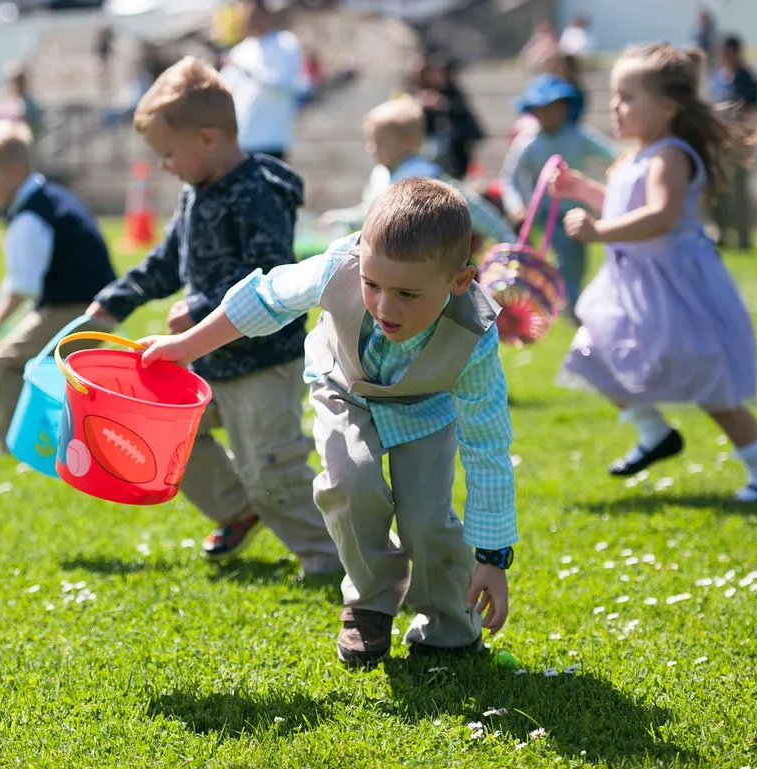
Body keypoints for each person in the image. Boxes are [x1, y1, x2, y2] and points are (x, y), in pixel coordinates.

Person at [139, 178, 517, 666]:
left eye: (407, 293)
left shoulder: (474, 337)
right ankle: (369, 603)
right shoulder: (338, 267)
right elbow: (265, 299)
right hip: (344, 386)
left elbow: (487, 446)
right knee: (349, 482)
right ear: (361, 253)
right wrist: (187, 345)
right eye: (373, 285)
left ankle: (448, 625)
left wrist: (492, 558)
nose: (384, 306)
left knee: (426, 520)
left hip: (425, 409)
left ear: (459, 281)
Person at [85, 56, 339, 576]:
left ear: (206, 138)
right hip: (208, 359)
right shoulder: (193, 195)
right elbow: (164, 262)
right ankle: (236, 508)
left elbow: (268, 274)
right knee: (168, 435)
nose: (164, 165)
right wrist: (116, 301)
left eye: (168, 152)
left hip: (261, 362)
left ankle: (331, 558)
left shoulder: (258, 193)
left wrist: (200, 309)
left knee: (274, 470)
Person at [551, 42, 757, 502]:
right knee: (593, 351)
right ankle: (653, 432)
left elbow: (660, 215)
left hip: (677, 289)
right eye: (615, 96)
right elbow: (626, 205)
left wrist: (599, 232)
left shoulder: (670, 155)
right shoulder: (636, 156)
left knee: (706, 381)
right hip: (633, 287)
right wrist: (584, 190)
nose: (615, 107)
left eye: (627, 97)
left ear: (667, 106)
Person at [0, 119, 118, 449]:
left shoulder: (31, 217)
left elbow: (23, 287)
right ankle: (59, 439)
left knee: (7, 362)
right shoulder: (53, 198)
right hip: (98, 308)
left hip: (77, 311)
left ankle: (14, 445)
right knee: (53, 371)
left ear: (16, 171)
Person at [319, 94, 515, 252]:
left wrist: (506, 239)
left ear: (408, 144)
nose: (371, 148)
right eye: (370, 141)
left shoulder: (427, 178)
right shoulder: (381, 174)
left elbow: (471, 207)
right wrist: (340, 217)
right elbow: (368, 214)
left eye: (380, 142)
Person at [500, 74, 616, 315]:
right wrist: (515, 206)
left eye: (554, 108)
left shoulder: (577, 136)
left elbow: (610, 153)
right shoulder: (528, 143)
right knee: (565, 257)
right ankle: (570, 307)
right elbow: (509, 178)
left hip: (576, 210)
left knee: (578, 261)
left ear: (565, 108)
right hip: (547, 213)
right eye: (543, 109)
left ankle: (569, 300)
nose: (550, 115)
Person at [219, 0, 308, 161]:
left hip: (271, 140)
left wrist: (247, 71)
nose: (250, 19)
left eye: (255, 14)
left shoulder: (286, 44)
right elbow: (225, 90)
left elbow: (287, 85)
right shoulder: (240, 51)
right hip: (242, 142)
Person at [708, 35, 757, 250]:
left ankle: (743, 238)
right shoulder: (717, 77)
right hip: (720, 139)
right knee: (718, 188)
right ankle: (719, 232)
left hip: (741, 140)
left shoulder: (748, 78)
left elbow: (754, 107)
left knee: (739, 190)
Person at [416, 53, 485, 180]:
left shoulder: (453, 95)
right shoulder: (417, 95)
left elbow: (472, 129)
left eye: (441, 72)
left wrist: (445, 106)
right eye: (434, 72)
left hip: (454, 158)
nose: (438, 76)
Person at [0, 61, 44, 141]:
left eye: (20, 80)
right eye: (15, 80)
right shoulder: (1, 103)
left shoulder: (32, 105)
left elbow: (38, 128)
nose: (17, 83)